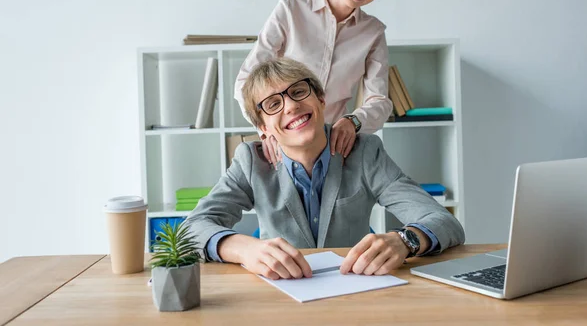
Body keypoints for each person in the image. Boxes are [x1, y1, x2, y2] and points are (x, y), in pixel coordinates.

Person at [186, 58, 465, 280]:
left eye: (298, 92)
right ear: (263, 128)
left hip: (356, 288)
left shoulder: (366, 151)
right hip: (280, 295)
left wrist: (405, 240)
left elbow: (444, 222)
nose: (292, 106)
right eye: (273, 104)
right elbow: (192, 229)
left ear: (321, 99)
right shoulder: (250, 161)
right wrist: (244, 248)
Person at [234, 0, 399, 164]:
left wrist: (354, 121)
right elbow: (246, 81)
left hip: (334, 149)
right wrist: (266, 130)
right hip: (283, 147)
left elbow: (379, 101)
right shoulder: (290, 11)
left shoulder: (373, 33)